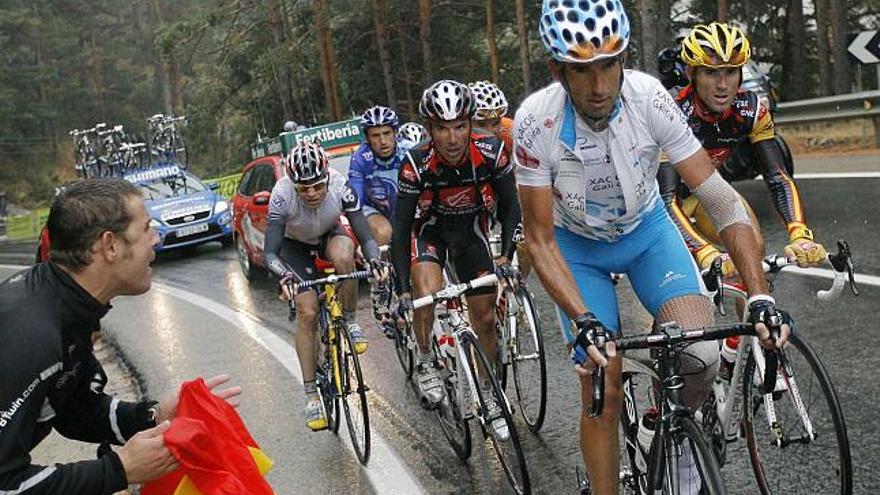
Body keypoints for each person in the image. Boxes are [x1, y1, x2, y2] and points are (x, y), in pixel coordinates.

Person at [518, 2, 791, 494]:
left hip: (647, 233)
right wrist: (583, 320)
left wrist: (759, 294)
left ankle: (674, 441)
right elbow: (538, 239)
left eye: (610, 64)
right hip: (577, 249)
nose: (601, 87)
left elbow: (722, 201)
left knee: (702, 356)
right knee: (603, 384)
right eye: (583, 70)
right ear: (557, 68)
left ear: (625, 56)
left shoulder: (649, 99)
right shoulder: (535, 121)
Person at [0, 178, 242, 494]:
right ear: (110, 246)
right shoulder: (31, 335)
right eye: (146, 229)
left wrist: (153, 416)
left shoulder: (67, 302)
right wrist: (119, 470)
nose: (156, 239)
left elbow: (72, 409)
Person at [390, 80, 521, 441]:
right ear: (430, 129)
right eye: (442, 128)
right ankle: (427, 357)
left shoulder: (492, 152)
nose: (452, 138)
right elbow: (400, 231)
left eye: (460, 126)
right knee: (426, 290)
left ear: (469, 124)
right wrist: (402, 292)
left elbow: (512, 209)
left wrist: (506, 256)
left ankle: (490, 394)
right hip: (429, 231)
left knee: (485, 318)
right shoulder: (416, 162)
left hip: (471, 233)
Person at [659, 22, 826, 279]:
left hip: (703, 191)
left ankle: (755, 314)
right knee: (674, 288)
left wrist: (800, 234)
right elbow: (666, 199)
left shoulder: (750, 110)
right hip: (653, 204)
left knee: (751, 253)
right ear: (692, 74)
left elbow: (778, 177)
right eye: (712, 73)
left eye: (730, 72)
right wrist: (705, 251)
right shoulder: (670, 110)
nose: (723, 85)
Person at [264, 140, 387, 431]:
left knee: (345, 255)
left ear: (327, 177)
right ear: (292, 184)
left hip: (329, 234)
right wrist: (284, 276)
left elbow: (365, 236)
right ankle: (311, 396)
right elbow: (270, 252)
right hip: (294, 247)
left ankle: (350, 319)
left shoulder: (340, 185)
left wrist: (373, 260)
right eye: (303, 188)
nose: (311, 193)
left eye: (317, 186)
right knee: (307, 312)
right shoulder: (281, 195)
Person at [348, 105, 412, 337]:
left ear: (396, 132)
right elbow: (354, 201)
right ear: (367, 138)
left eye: (387, 133)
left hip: (403, 209)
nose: (383, 141)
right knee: (385, 233)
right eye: (376, 135)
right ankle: (380, 289)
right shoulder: (361, 159)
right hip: (373, 209)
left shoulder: (408, 151)